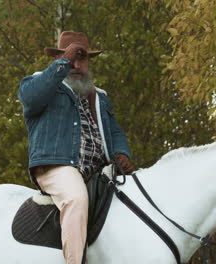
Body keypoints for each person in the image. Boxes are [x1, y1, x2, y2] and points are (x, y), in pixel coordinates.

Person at [18, 31, 134, 264]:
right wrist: (63, 63)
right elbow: (30, 100)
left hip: (100, 169)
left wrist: (122, 153)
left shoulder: (99, 97)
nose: (77, 64)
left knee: (135, 198)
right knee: (76, 198)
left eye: (82, 58)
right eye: (73, 58)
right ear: (59, 58)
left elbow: (114, 132)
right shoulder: (40, 83)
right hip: (57, 165)